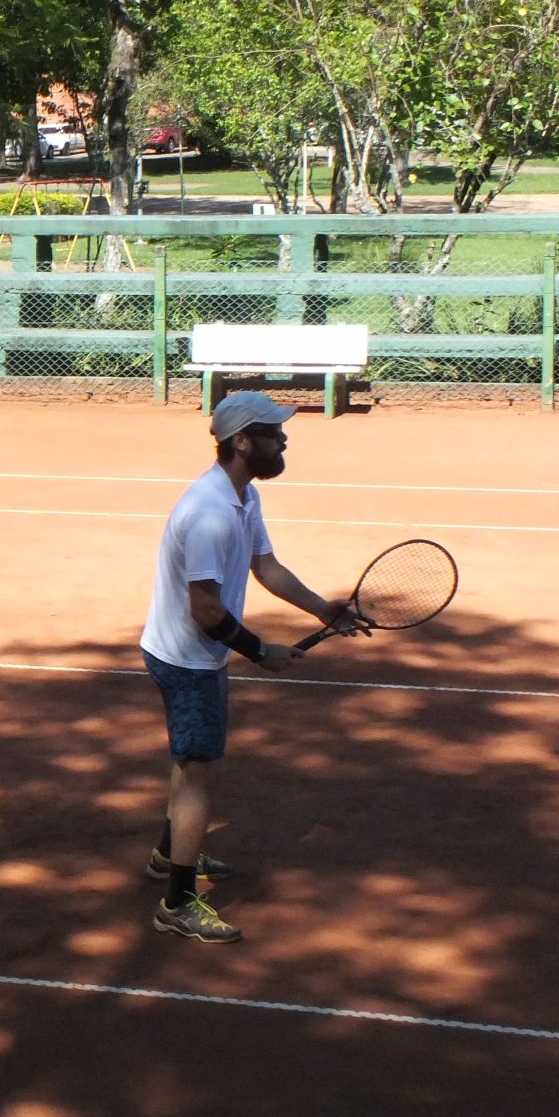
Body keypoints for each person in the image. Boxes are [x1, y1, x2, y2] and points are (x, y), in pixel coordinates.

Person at [139, 391, 365, 943]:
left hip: (197, 651)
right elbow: (206, 609)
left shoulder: (241, 496)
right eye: (273, 433)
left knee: (192, 760)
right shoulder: (211, 513)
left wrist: (324, 610)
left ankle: (170, 854)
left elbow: (266, 565)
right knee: (199, 772)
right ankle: (177, 904)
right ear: (243, 441)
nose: (284, 439)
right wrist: (261, 652)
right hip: (187, 657)